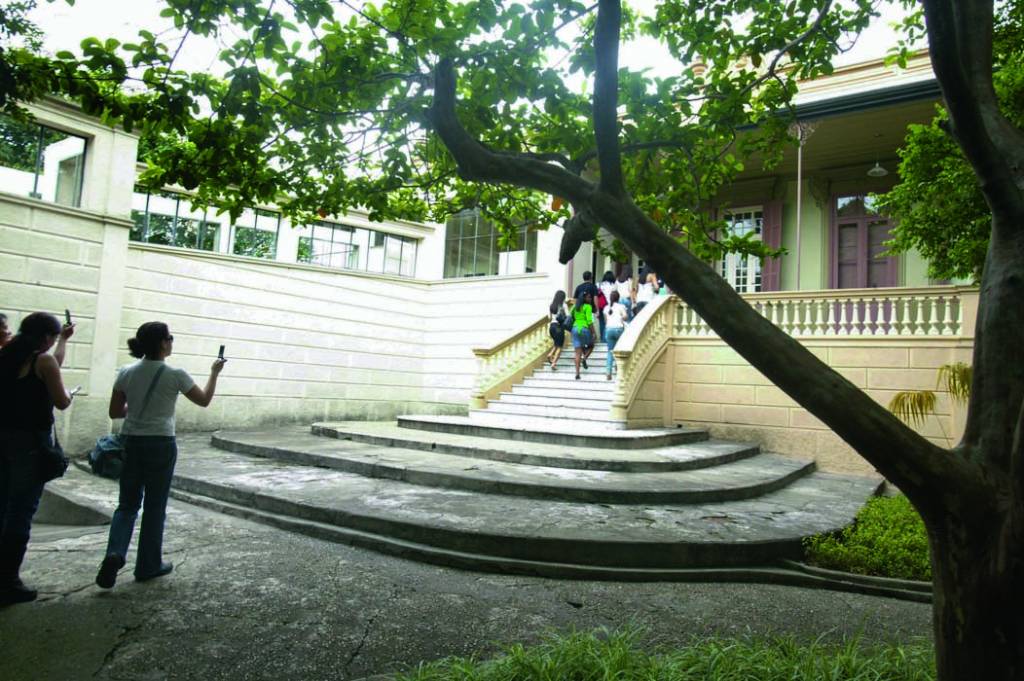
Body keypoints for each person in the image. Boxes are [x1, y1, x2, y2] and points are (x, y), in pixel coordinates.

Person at [95, 322, 226, 589]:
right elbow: (203, 400)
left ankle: (114, 553)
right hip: (161, 443)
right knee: (155, 506)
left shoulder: (126, 372)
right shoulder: (175, 374)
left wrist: (139, 405)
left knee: (127, 504)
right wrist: (214, 373)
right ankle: (148, 564)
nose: (171, 342)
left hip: (130, 442)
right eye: (170, 338)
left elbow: (115, 412)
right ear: (163, 343)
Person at [0, 312, 74, 605]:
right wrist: (72, 395)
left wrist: (64, 343)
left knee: (2, 505)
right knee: (21, 510)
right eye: (55, 338)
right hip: (30, 443)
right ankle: (8, 581)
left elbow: (51, 365)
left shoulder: (6, 356)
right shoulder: (42, 361)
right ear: (45, 338)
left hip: (3, 438)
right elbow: (61, 400)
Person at [570, 291, 597, 380]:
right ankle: (584, 358)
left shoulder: (575, 307)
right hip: (584, 329)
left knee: (577, 352)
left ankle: (577, 373)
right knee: (591, 345)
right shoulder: (588, 307)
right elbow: (589, 322)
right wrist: (594, 333)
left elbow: (571, 316)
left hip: (574, 329)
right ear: (584, 298)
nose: (590, 299)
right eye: (589, 297)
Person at [604, 291, 629, 380]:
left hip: (609, 329)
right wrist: (621, 318)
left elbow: (606, 320)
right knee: (619, 350)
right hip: (618, 329)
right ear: (618, 298)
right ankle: (618, 368)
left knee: (610, 351)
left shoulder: (606, 308)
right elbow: (626, 316)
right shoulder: (621, 306)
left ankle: (608, 372)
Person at [546, 290, 569, 371]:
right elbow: (568, 316)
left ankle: (550, 354)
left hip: (552, 327)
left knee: (556, 344)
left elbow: (549, 318)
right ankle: (554, 363)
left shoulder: (551, 305)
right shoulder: (563, 305)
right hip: (559, 327)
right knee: (559, 347)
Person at [598, 271, 616, 341]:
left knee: (602, 323)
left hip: (601, 306)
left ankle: (602, 339)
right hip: (610, 305)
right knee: (609, 322)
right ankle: (607, 339)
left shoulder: (599, 284)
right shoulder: (614, 285)